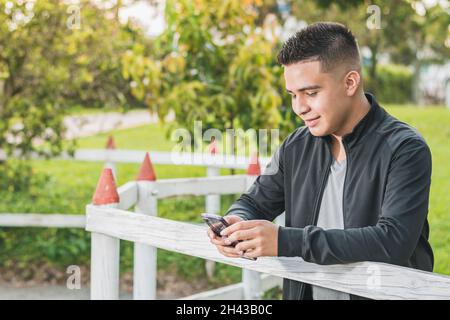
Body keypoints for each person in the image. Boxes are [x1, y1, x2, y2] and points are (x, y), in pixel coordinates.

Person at [206, 22, 434, 300]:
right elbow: (254, 202)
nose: (299, 108)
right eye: (293, 95)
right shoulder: (296, 145)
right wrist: (237, 223)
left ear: (350, 82)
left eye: (311, 93)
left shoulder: (405, 148)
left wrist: (285, 240)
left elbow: (393, 241)